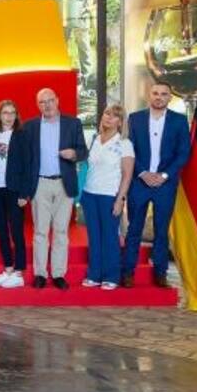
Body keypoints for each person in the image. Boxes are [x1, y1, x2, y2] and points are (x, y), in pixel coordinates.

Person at [9, 88, 88, 290]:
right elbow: (25, 159)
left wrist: (73, 154)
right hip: (40, 184)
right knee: (40, 231)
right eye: (42, 102)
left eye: (50, 100)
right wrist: (24, 189)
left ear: (57, 100)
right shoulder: (30, 127)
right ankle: (40, 274)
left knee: (61, 231)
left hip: (64, 183)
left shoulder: (73, 123)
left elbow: (83, 152)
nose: (47, 105)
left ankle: (59, 274)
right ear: (38, 105)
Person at [122, 80, 190, 288]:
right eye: (155, 93)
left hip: (165, 185)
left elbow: (183, 153)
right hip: (139, 183)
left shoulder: (179, 121)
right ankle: (128, 272)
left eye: (163, 94)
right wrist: (143, 173)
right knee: (134, 228)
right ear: (149, 95)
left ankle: (161, 273)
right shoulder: (135, 119)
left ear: (170, 97)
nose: (159, 97)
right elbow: (129, 149)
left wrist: (164, 175)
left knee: (161, 231)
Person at [81, 104, 134, 290]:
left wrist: (120, 199)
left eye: (114, 116)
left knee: (110, 237)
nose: (109, 118)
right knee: (94, 237)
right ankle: (94, 274)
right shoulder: (94, 139)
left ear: (120, 122)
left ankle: (111, 276)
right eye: (107, 114)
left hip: (109, 196)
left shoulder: (124, 144)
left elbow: (127, 175)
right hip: (89, 194)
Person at [0, 100, 28, 289]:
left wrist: (24, 193)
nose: (9, 117)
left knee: (16, 231)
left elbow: (28, 165)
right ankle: (8, 269)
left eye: (12, 113)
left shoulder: (21, 136)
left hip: (14, 189)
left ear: (16, 116)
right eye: (5, 113)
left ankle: (19, 273)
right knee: (1, 231)